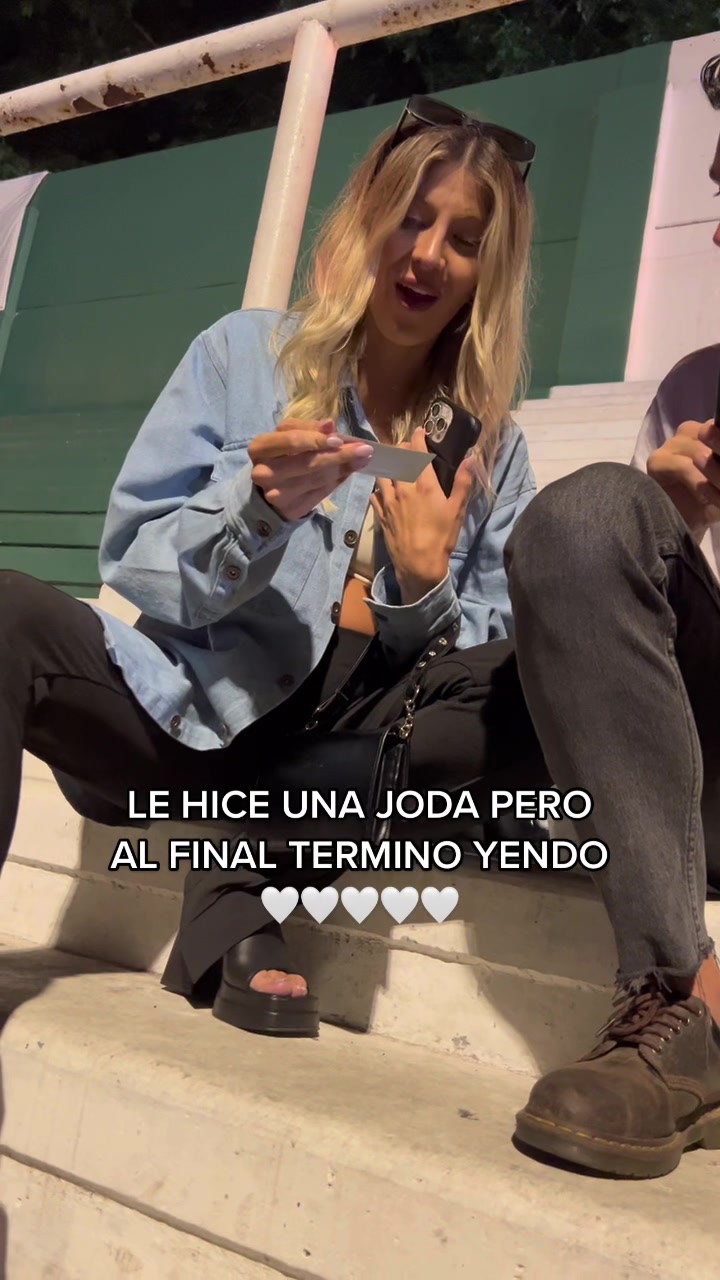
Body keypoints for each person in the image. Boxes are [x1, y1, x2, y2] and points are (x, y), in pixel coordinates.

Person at [0, 97, 545, 1038]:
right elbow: (134, 559)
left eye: (463, 240)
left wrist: (423, 590)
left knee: (527, 693)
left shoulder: (496, 453)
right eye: (411, 218)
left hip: (357, 747)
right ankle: (241, 888)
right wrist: (254, 514)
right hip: (193, 719)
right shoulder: (244, 354)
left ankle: (233, 892)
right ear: (369, 218)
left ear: (484, 275)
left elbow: (485, 674)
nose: (426, 256)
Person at [505, 53, 720, 1178]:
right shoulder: (694, 387)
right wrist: (674, 515)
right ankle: (673, 990)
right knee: (585, 515)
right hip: (688, 765)